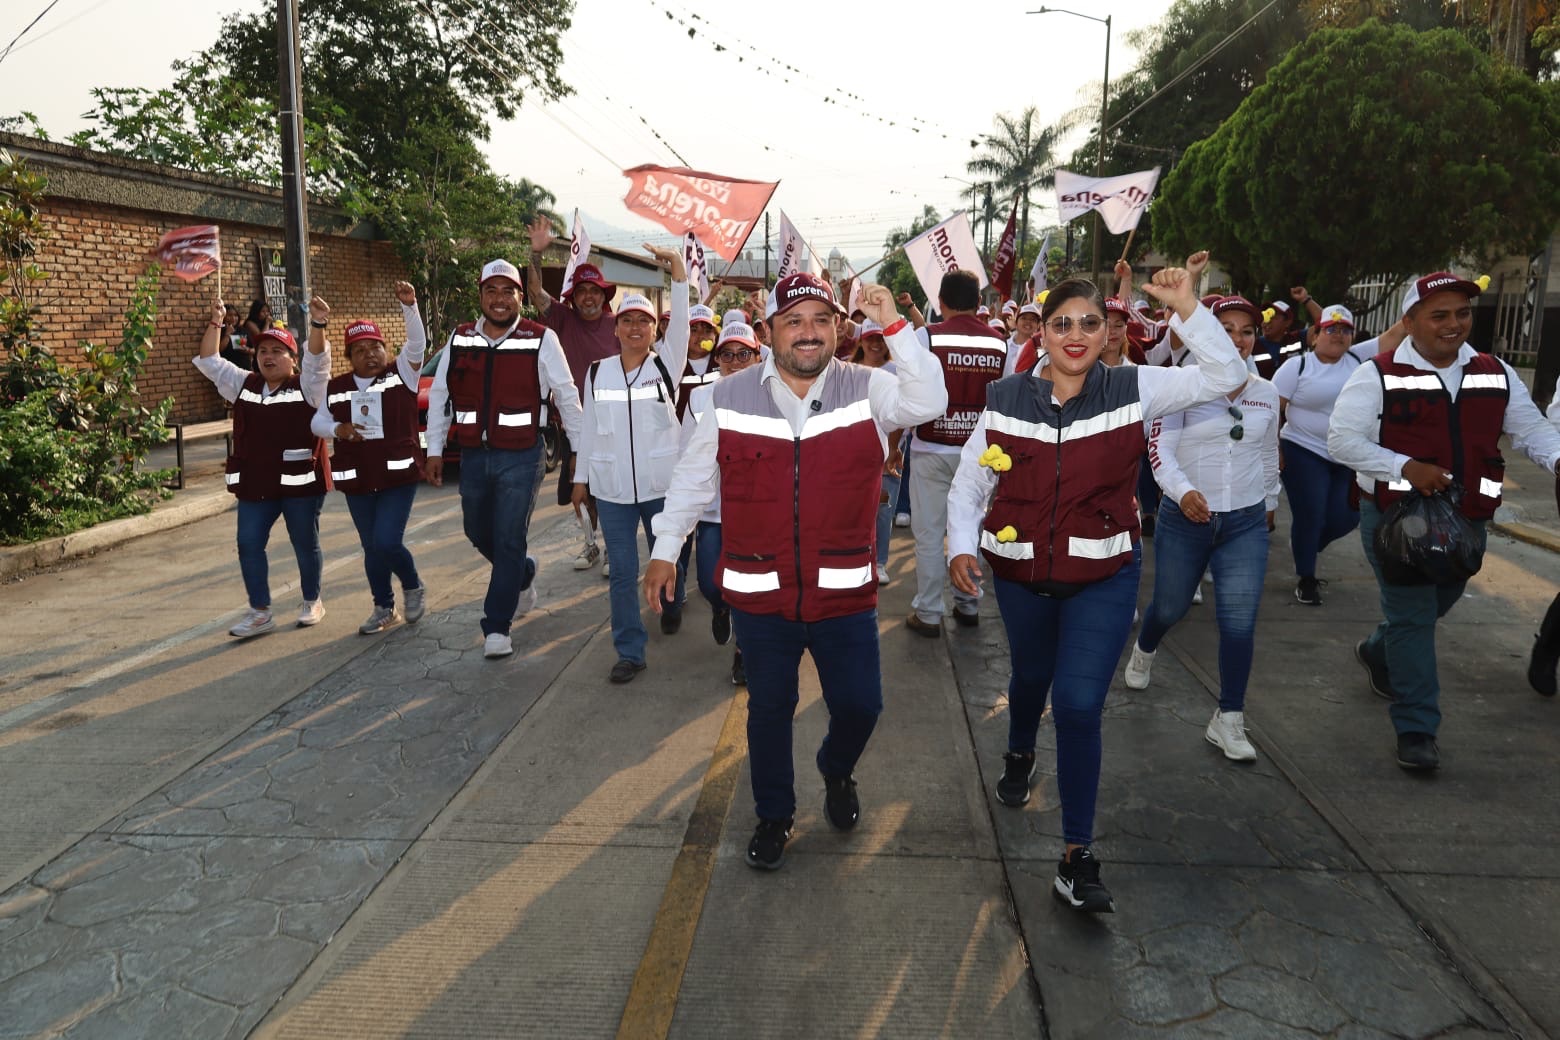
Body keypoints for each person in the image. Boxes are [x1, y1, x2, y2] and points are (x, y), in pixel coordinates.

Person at [945, 266, 1244, 913]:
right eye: (1061, 324)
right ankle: (1020, 748)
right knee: (1029, 679)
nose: (1076, 335)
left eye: (1089, 323)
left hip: (1104, 577)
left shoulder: (1134, 389)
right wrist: (961, 543)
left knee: (1079, 705)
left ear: (1108, 330)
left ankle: (1076, 857)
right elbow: (971, 479)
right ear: (1042, 334)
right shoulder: (1004, 398)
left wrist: (1187, 307)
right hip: (1021, 576)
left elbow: (1226, 374)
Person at [643, 274, 946, 871]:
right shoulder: (725, 398)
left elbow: (930, 401)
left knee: (861, 706)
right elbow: (694, 478)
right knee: (769, 713)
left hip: (844, 594)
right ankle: (774, 814)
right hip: (762, 596)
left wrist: (894, 325)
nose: (808, 333)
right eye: (794, 320)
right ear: (768, 332)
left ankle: (836, 770)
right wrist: (664, 547)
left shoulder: (871, 388)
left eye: (820, 320)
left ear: (838, 328)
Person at [1329, 272, 1560, 771]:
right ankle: (1416, 728)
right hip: (1398, 521)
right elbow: (1342, 441)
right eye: (1439, 315)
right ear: (1410, 322)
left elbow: (1531, 430)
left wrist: (1559, 459)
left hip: (1467, 519)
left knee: (1437, 602)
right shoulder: (1377, 374)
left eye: (1462, 313)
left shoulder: (1495, 371)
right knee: (1413, 616)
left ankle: (1377, 650)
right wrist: (1405, 468)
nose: (1454, 325)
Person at [1124, 296, 1281, 762]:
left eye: (1246, 330)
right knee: (1170, 607)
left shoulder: (1265, 392)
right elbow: (1160, 452)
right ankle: (1145, 647)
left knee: (1238, 621)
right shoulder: (1183, 388)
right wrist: (1182, 491)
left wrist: (1270, 499)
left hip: (1245, 522)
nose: (1237, 339)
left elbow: (1269, 452)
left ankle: (1228, 717)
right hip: (1185, 516)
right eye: (1226, 329)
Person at [424, 259, 585, 659]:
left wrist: (580, 452)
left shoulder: (541, 338)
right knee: (477, 531)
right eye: (491, 291)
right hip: (474, 456)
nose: (499, 299)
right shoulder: (460, 338)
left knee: (510, 535)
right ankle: (523, 571)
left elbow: (566, 395)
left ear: (519, 297)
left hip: (522, 455)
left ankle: (497, 625)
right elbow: (441, 396)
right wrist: (433, 450)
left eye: (508, 291)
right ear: (480, 295)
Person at [572, 244, 690, 683]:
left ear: (654, 330)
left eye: (644, 321)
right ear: (615, 328)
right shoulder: (596, 373)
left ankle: (673, 603)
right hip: (613, 489)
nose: (636, 327)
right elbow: (587, 431)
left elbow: (681, 313)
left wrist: (676, 272)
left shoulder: (667, 365)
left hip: (662, 487)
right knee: (621, 572)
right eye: (628, 320)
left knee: (668, 556)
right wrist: (581, 479)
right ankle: (630, 650)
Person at [195, 296, 330, 638]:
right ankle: (260, 612)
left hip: (300, 484)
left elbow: (317, 359)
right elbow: (210, 359)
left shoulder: (308, 386)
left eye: (276, 352)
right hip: (256, 483)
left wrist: (317, 325)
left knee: (304, 541)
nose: (267, 357)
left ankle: (312, 600)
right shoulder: (244, 383)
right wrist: (216, 322)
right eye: (262, 352)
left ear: (291, 359)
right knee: (248, 542)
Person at [310, 282, 429, 634]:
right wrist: (339, 430)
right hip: (358, 479)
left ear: (385, 348)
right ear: (350, 357)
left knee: (387, 541)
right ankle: (383, 607)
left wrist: (411, 307)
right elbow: (318, 421)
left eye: (375, 346)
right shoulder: (337, 386)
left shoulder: (402, 373)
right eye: (360, 349)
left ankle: (412, 585)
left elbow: (418, 344)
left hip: (397, 476)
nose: (370, 354)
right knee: (371, 547)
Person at [906, 269, 1007, 637]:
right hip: (980, 454)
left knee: (930, 534)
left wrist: (892, 444)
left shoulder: (925, 337)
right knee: (972, 529)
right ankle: (969, 603)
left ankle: (929, 612)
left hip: (931, 448)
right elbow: (1006, 400)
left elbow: (910, 393)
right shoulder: (1000, 343)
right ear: (979, 303)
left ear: (941, 303)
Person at [527, 215, 618, 575]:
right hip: (575, 425)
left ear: (603, 295)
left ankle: (611, 547)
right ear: (574, 297)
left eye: (594, 291)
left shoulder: (618, 325)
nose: (588, 297)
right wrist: (536, 254)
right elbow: (534, 293)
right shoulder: (562, 320)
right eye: (581, 291)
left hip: (614, 423)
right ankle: (590, 544)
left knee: (609, 490)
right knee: (578, 492)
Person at [1272, 303, 1376, 605]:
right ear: (1315, 335)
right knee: (1312, 512)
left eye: (1346, 330)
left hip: (1347, 454)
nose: (1339, 335)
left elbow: (1399, 332)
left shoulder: (1358, 359)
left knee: (1347, 517)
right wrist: (1274, 450)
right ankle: (1306, 577)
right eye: (1331, 329)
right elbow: (1272, 410)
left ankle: (1306, 545)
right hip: (1302, 448)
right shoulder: (1297, 367)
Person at [679, 320, 764, 685]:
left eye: (743, 354)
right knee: (712, 585)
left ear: (758, 357)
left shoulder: (775, 395)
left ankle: (743, 654)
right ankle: (720, 607)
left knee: (750, 587)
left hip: (758, 512)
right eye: (726, 355)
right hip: (713, 511)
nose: (735, 361)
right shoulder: (700, 398)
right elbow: (686, 453)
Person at [852, 319, 905, 585]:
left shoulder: (895, 370)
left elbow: (900, 416)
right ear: (860, 340)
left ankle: (879, 561)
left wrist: (891, 450)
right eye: (870, 338)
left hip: (888, 455)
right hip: (851, 453)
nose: (875, 344)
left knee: (883, 508)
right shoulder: (846, 370)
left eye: (881, 339)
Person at [675, 304, 721, 421]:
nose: (701, 336)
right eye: (694, 330)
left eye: (707, 331)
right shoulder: (674, 364)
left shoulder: (726, 361)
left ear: (715, 335)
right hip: (683, 436)